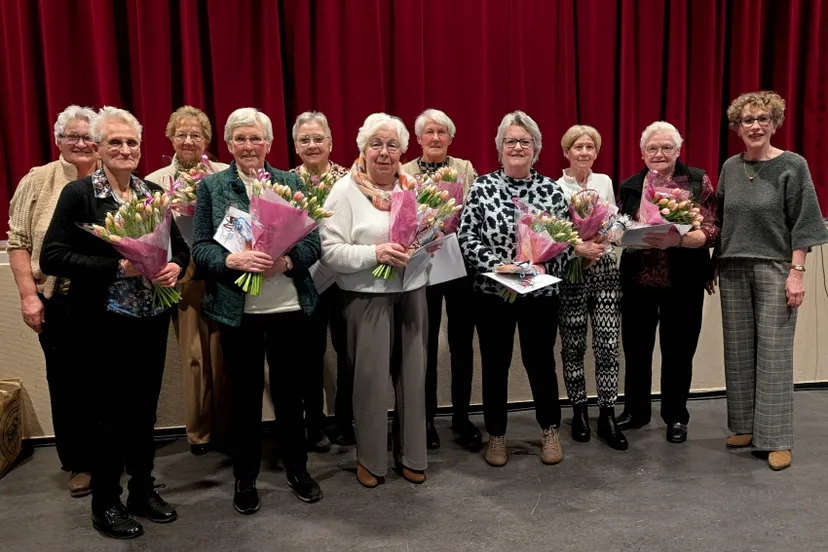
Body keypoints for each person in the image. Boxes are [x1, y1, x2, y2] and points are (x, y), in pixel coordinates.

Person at [40, 106, 189, 539]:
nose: (125, 149)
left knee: (144, 411)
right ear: (99, 149)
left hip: (150, 319)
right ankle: (105, 502)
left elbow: (179, 248)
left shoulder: (148, 192)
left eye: (132, 143)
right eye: (115, 143)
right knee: (107, 417)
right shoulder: (81, 194)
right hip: (103, 323)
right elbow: (53, 257)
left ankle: (142, 490)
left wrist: (176, 267)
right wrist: (115, 268)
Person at [191, 107, 322, 515]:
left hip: (286, 305)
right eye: (240, 139)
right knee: (244, 397)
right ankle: (245, 477)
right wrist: (231, 262)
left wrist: (286, 263)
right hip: (238, 311)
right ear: (229, 144)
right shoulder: (212, 187)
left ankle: (297, 468)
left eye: (256, 138)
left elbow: (312, 243)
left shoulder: (291, 181)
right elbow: (200, 248)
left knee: (290, 393)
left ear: (269, 143)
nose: (249, 146)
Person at [458, 111, 582, 467]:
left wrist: (543, 264)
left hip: (539, 295)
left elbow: (567, 241)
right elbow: (466, 236)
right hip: (493, 294)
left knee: (540, 363)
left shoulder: (551, 190)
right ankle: (496, 436)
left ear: (536, 149)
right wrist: (499, 267)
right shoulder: (482, 186)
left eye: (524, 141)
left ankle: (550, 430)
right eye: (510, 141)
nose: (517, 147)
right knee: (495, 366)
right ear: (499, 148)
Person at [717, 91, 828, 470]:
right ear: (737, 127)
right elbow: (721, 218)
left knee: (775, 354)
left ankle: (776, 438)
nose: (756, 126)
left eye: (764, 118)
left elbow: (805, 222)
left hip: (776, 267)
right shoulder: (730, 166)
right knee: (738, 351)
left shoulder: (793, 165)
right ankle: (745, 426)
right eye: (748, 120)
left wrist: (797, 273)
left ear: (775, 123)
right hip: (732, 267)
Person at [320, 112, 428, 488]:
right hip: (365, 298)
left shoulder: (413, 188)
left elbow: (427, 235)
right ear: (363, 149)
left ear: (402, 151)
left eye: (392, 145)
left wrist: (430, 241)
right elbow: (330, 252)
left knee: (413, 377)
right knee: (369, 379)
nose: (384, 152)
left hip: (412, 291)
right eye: (376, 144)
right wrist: (375, 254)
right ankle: (370, 458)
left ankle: (412, 454)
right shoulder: (344, 190)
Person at [6, 105, 99, 497]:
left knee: (110, 381)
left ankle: (114, 456)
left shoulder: (114, 178)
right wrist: (29, 297)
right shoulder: (39, 180)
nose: (81, 143)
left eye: (88, 136)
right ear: (58, 140)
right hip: (59, 300)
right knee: (67, 383)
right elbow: (19, 242)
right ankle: (80, 463)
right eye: (72, 136)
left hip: (110, 299)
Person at [616, 121, 719, 444]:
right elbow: (619, 228)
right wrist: (625, 235)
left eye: (666, 148)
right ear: (642, 152)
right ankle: (636, 411)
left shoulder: (696, 180)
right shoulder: (631, 185)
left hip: (684, 279)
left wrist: (683, 240)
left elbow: (714, 228)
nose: (659, 154)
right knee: (636, 349)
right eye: (652, 148)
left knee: (678, 351)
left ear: (678, 150)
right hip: (638, 279)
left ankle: (675, 415)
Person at [144, 106, 229, 456]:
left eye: (196, 134)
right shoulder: (156, 180)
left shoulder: (224, 174)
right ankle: (199, 432)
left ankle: (227, 427)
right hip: (182, 276)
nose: (189, 140)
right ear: (170, 138)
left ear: (207, 139)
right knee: (193, 356)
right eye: (181, 134)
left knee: (223, 352)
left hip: (224, 271)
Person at [400, 108, 481, 451]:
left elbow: (474, 210)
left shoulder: (464, 169)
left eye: (442, 132)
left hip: (458, 264)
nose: (435, 138)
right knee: (425, 343)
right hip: (421, 264)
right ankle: (426, 419)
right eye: (429, 132)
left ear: (450, 138)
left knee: (463, 343)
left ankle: (462, 418)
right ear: (418, 139)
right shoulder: (404, 172)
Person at [555, 125, 626, 450]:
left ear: (596, 152)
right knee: (572, 345)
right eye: (577, 147)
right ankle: (579, 410)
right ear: (567, 151)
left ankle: (607, 412)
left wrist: (603, 239)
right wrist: (578, 248)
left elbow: (612, 222)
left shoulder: (605, 182)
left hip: (605, 267)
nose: (584, 152)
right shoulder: (557, 187)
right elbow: (554, 234)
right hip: (572, 270)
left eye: (589, 147)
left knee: (608, 343)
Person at [288, 111, 350, 451]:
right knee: (309, 354)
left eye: (318, 139)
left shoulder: (350, 178)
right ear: (296, 146)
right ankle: (313, 422)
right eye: (304, 139)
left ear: (330, 143)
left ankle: (344, 420)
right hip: (306, 279)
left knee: (348, 351)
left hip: (343, 278)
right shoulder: (286, 182)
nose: (312, 145)